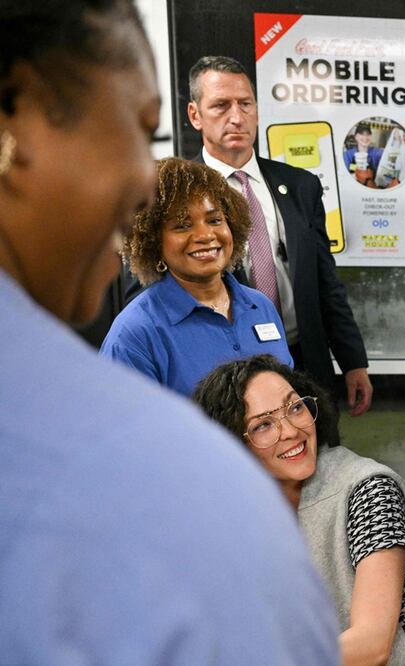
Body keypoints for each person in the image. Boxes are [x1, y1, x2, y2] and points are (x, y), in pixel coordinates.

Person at [0, 2, 339, 662]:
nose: (139, 182)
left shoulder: (255, 307)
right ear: (19, 121)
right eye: (140, 127)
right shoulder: (110, 409)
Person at [194, 355, 405, 666]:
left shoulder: (369, 491)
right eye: (263, 425)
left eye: (295, 407)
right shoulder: (239, 511)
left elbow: (372, 644)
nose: (290, 430)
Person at [187, 55, 372, 433]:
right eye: (221, 106)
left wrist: (353, 361)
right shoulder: (181, 194)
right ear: (195, 115)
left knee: (319, 464)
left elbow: (325, 280)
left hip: (304, 359)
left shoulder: (299, 185)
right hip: (226, 369)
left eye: (245, 103)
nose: (236, 117)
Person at [100, 157, 292, 395]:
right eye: (182, 225)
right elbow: (126, 427)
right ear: (153, 240)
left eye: (214, 220)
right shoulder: (135, 332)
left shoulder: (260, 306)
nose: (205, 235)